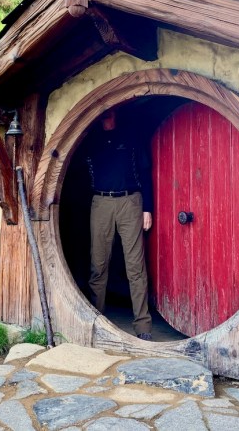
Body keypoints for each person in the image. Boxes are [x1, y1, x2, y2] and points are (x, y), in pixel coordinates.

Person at [84, 109, 153, 340]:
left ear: (115, 113)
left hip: (130, 202)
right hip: (101, 202)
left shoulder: (132, 136)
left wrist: (147, 208)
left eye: (109, 112)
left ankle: (143, 325)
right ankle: (95, 320)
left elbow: (145, 173)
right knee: (98, 264)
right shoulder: (90, 139)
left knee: (135, 266)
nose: (105, 116)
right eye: (102, 113)